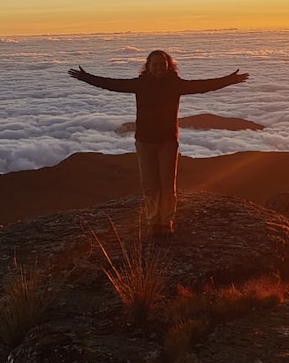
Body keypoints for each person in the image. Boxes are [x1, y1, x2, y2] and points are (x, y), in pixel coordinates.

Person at [69, 50, 249, 238]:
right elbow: (112, 84)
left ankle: (166, 222)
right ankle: (153, 222)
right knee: (150, 184)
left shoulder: (175, 85)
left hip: (168, 142)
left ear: (168, 66)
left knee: (167, 184)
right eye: (154, 65)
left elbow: (203, 86)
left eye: (162, 65)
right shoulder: (140, 84)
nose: (158, 68)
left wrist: (229, 80)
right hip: (145, 141)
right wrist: (85, 77)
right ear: (148, 66)